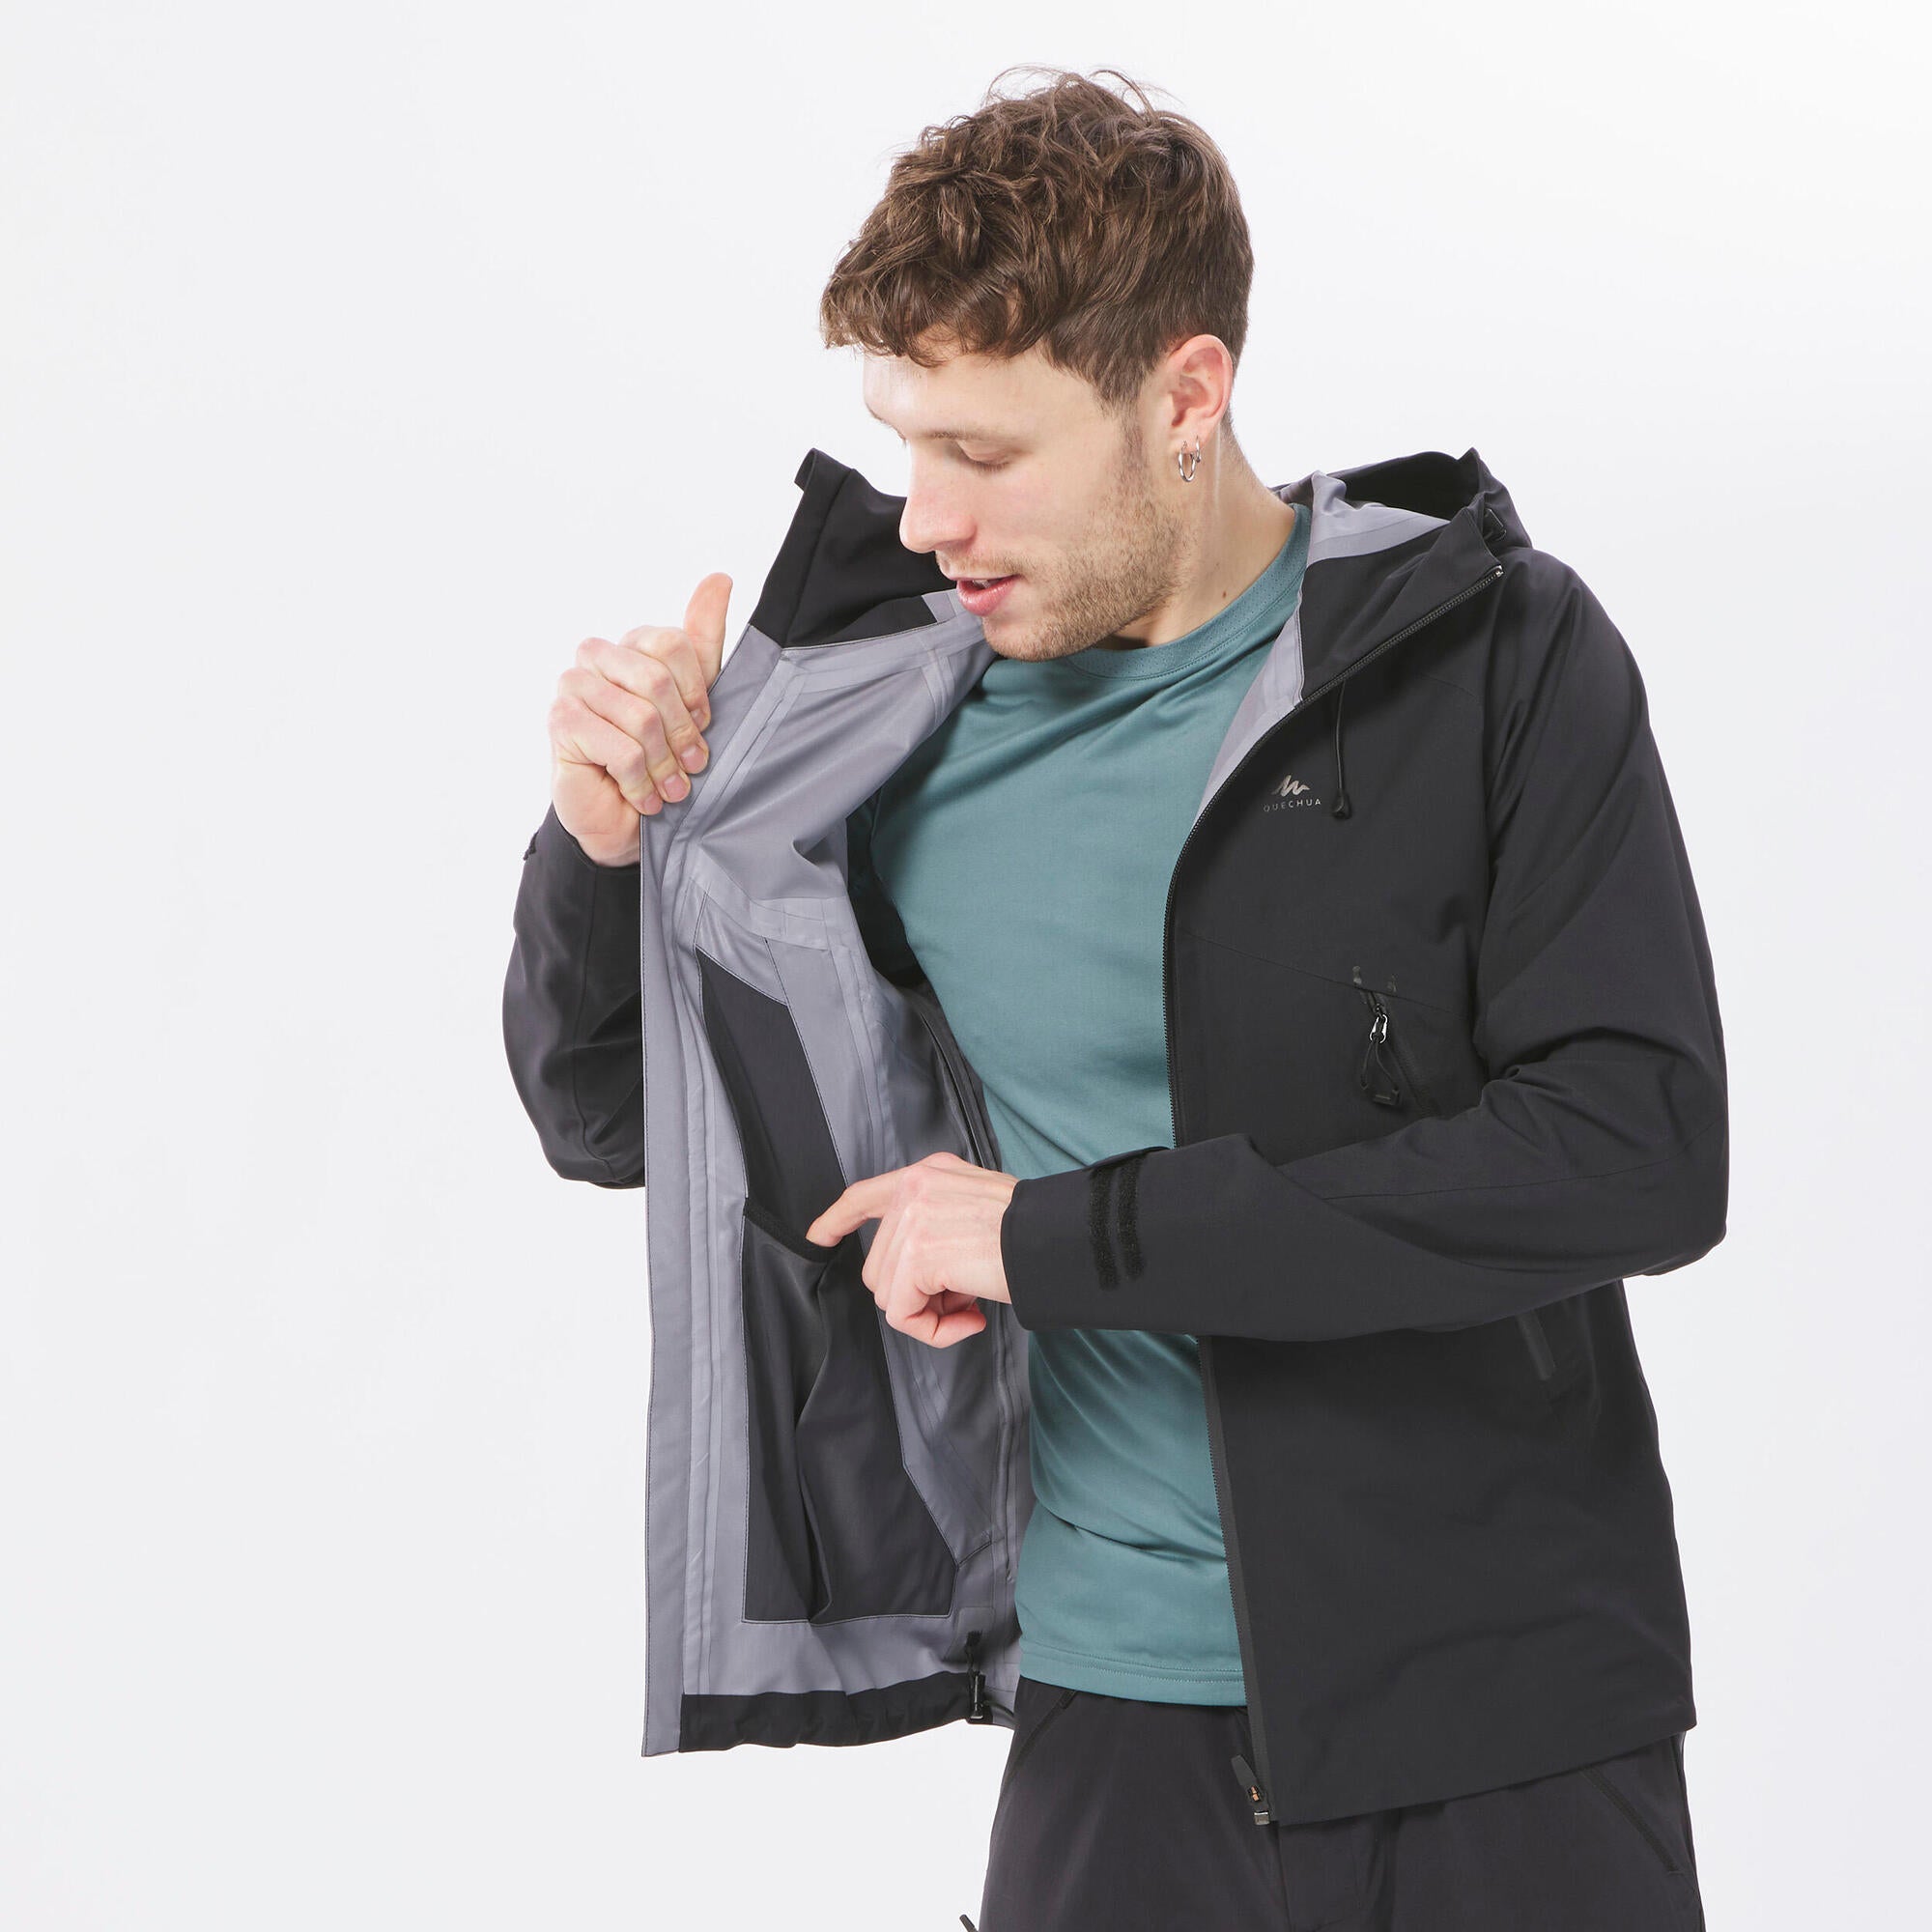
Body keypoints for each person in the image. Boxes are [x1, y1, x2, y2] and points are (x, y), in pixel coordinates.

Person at [503, 66, 1723, 1931]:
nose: (926, 518)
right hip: (1117, 1729)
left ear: (1184, 397)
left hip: (1508, 1717)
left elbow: (1633, 1151)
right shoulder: (886, 726)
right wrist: (601, 846)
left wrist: (1050, 1240)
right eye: (906, 442)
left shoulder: (1491, 650)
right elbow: (619, 1119)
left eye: (987, 454)